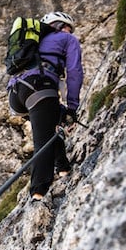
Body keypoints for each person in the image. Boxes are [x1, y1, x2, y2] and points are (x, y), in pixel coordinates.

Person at [7, 11, 84, 201]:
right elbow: (74, 72)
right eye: (68, 27)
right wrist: (73, 107)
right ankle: (38, 192)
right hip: (39, 87)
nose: (69, 31)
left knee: (51, 120)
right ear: (61, 26)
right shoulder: (67, 39)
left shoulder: (32, 44)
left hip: (16, 95)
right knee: (42, 140)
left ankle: (64, 167)